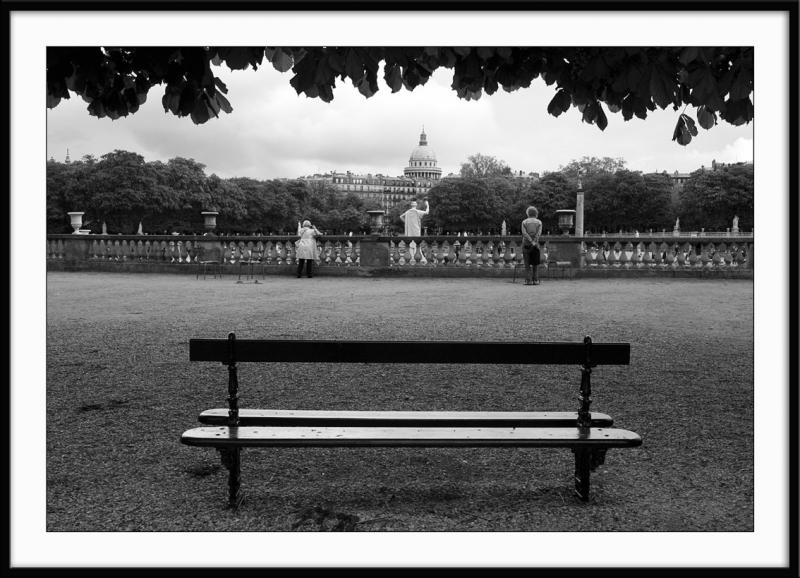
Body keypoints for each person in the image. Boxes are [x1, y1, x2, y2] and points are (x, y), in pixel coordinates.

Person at [521, 206, 543, 286]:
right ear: (536, 213)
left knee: (527, 264)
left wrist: (530, 240)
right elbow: (538, 233)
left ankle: (528, 281)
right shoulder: (539, 222)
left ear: (528, 213)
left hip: (526, 244)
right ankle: (536, 280)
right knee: (535, 263)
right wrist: (534, 241)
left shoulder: (524, 222)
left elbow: (524, 233)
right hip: (536, 245)